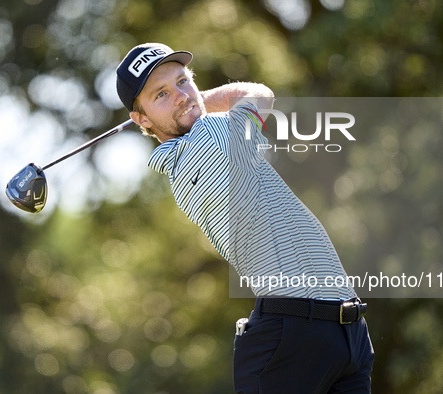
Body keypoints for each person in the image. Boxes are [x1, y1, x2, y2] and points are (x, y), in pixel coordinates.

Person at [116, 43, 374, 394]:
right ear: (142, 119)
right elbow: (258, 94)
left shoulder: (198, 146)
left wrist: (187, 100)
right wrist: (200, 97)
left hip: (340, 332)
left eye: (182, 82)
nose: (180, 96)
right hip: (293, 335)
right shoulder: (208, 138)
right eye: (161, 94)